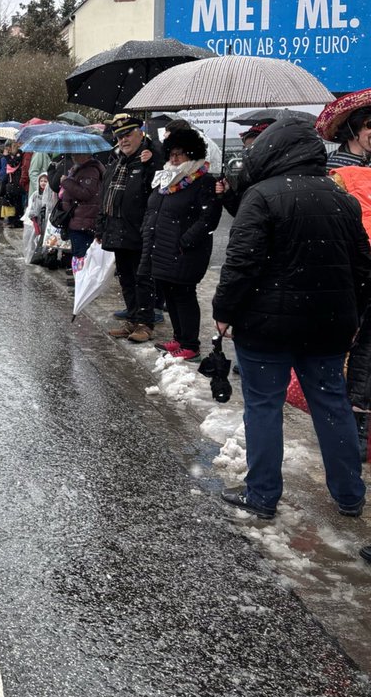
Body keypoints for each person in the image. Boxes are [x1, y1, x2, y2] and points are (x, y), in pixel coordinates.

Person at [213, 118, 371, 520]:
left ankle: (263, 495)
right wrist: (355, 315)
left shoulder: (262, 196)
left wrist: (224, 311)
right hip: (329, 325)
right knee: (332, 405)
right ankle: (350, 495)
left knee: (264, 406)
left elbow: (241, 263)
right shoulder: (342, 198)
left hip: (265, 327)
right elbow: (362, 267)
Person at [138, 128, 221, 360]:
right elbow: (152, 207)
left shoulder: (203, 181)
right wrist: (147, 228)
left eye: (180, 154)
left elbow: (209, 217)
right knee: (169, 293)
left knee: (184, 294)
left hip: (185, 250)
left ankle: (190, 344)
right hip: (162, 246)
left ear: (191, 154)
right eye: (172, 154)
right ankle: (179, 337)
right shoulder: (166, 178)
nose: (174, 159)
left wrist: (186, 241)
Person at [98, 115, 163, 343]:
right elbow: (105, 196)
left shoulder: (149, 158)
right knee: (126, 279)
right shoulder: (116, 162)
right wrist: (100, 226)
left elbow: (158, 188)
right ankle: (133, 319)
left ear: (140, 133)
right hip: (117, 230)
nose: (123, 140)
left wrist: (152, 161)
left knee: (143, 279)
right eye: (119, 137)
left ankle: (145, 323)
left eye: (127, 134)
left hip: (140, 230)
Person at [55, 151, 105, 264]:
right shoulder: (80, 168)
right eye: (72, 154)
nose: (73, 156)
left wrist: (66, 182)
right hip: (79, 219)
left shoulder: (90, 170)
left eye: (77, 154)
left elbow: (85, 193)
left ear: (86, 155)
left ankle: (80, 275)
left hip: (83, 221)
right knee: (79, 257)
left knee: (81, 258)